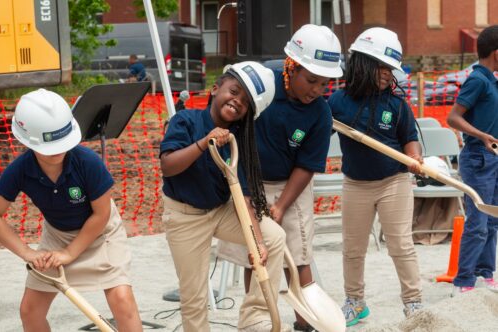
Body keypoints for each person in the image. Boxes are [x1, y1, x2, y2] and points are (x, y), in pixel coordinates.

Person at [217, 24, 343, 332]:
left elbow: (306, 165)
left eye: (324, 83)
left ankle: (307, 321)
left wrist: (282, 205)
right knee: (256, 254)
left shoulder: (320, 113)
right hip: (248, 181)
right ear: (291, 66)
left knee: (298, 255)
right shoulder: (260, 85)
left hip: (292, 186)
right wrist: (247, 194)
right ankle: (257, 319)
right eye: (311, 80)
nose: (317, 89)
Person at [0, 89, 143, 332]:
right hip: (57, 236)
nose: (57, 150)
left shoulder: (87, 162)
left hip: (101, 233)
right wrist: (27, 253)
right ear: (27, 140)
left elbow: (101, 215)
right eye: (49, 145)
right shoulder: (20, 170)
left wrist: (70, 253)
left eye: (60, 143)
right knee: (29, 310)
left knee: (122, 300)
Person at [159, 61, 287, 332]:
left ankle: (255, 317)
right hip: (185, 217)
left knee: (274, 239)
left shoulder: (237, 138)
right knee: (194, 297)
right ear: (216, 89)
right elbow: (168, 166)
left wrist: (258, 241)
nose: (237, 101)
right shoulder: (186, 120)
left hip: (220, 210)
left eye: (245, 102)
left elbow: (245, 195)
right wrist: (204, 142)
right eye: (234, 91)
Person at [327, 27, 424, 326]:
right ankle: (355, 302)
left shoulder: (395, 104)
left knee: (400, 245)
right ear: (362, 64)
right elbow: (318, 134)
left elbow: (409, 138)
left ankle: (414, 304)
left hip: (393, 182)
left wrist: (415, 158)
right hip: (355, 184)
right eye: (382, 67)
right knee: (353, 248)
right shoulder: (338, 102)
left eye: (391, 69)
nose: (388, 74)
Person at [447, 25, 498, 295]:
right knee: (478, 222)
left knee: (492, 221)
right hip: (479, 158)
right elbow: (453, 117)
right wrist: (483, 136)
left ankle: (485, 273)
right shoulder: (478, 80)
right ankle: (464, 281)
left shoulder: (492, 81)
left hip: (494, 159)